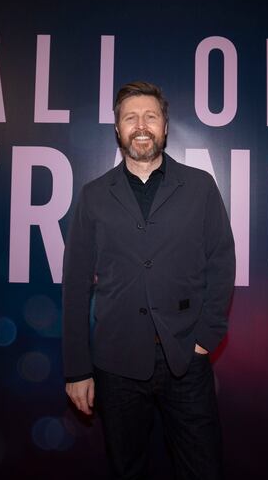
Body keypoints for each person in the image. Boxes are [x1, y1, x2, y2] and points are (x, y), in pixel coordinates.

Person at [62, 80, 236, 479]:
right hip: (115, 364)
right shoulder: (92, 195)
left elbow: (222, 263)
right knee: (127, 470)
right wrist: (77, 370)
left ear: (165, 126)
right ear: (118, 129)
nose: (141, 125)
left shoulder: (200, 187)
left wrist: (205, 338)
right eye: (131, 117)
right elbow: (74, 286)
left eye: (150, 116)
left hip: (185, 360)